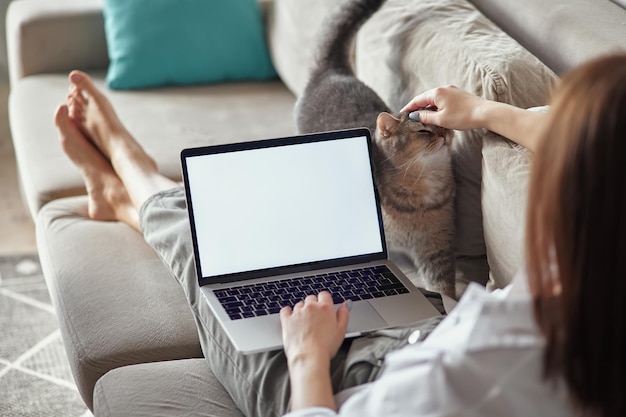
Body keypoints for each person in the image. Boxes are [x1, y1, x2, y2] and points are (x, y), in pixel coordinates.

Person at [54, 53, 626, 417]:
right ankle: (131, 199)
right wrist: (482, 110)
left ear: (570, 205)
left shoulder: (473, 380)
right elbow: (593, 137)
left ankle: (134, 177)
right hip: (425, 331)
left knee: (206, 253)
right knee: (295, 254)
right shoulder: (590, 291)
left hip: (332, 379)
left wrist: (306, 355)